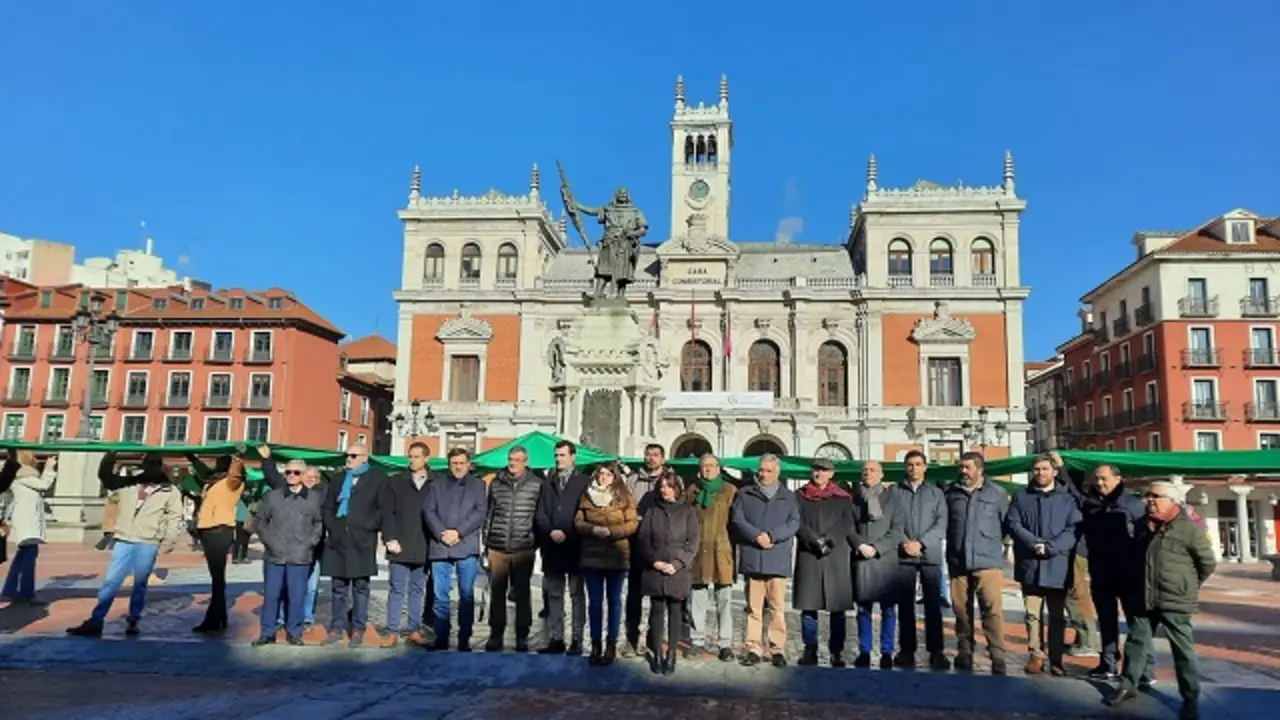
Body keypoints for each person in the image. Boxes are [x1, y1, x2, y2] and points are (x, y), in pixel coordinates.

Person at [1106, 480, 1216, 720]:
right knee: (1136, 643)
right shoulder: (1142, 526)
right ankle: (1128, 685)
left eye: (1156, 496)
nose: (1150, 501)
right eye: (1148, 496)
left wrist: (1188, 585)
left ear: (1172, 501)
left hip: (1174, 599)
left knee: (1183, 651)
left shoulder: (1188, 529)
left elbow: (1207, 563)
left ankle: (1190, 698)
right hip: (1144, 596)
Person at [66, 453, 185, 637]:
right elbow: (106, 478)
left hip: (148, 541)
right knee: (111, 581)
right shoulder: (129, 483)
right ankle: (96, 620)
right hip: (124, 539)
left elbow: (174, 517)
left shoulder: (170, 491)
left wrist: (169, 540)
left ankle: (133, 620)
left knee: (140, 584)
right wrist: (109, 458)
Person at [1005, 454, 1082, 676]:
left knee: (1057, 616)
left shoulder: (1068, 499)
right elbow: (1014, 523)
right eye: (1036, 469)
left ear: (1055, 472)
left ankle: (1056, 658)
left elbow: (1074, 530)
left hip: (1058, 564)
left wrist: (1051, 547)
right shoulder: (1021, 497)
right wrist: (1034, 544)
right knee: (1032, 614)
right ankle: (1036, 655)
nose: (1040, 473)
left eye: (1045, 469)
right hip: (1030, 564)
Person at [1080, 463, 1153, 683]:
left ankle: (1145, 670)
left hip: (1129, 573)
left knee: (1136, 623)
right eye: (1097, 479)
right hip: (1101, 571)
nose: (1100, 483)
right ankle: (1108, 662)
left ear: (1118, 479)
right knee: (1106, 620)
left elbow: (1145, 538)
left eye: (1104, 478)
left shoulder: (1133, 504)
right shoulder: (1091, 504)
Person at [730, 453, 800, 668]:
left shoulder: (788, 496)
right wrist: (756, 535)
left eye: (769, 470)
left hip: (777, 557)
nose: (764, 474)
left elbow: (794, 522)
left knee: (777, 608)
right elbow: (737, 519)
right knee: (753, 608)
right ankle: (753, 647)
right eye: (761, 470)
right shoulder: (745, 494)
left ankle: (777, 648)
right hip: (753, 556)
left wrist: (772, 536)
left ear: (777, 472)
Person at [944, 451, 1009, 674]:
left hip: (988, 561)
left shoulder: (997, 493)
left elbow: (1007, 522)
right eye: (961, 467)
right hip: (957, 561)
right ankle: (965, 650)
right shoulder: (951, 493)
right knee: (961, 610)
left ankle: (997, 654)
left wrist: (1007, 547)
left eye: (967, 467)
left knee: (991, 610)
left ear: (980, 469)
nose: (963, 471)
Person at [320, 443, 388, 647]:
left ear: (365, 458)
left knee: (361, 587)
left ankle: (358, 628)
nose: (348, 458)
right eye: (347, 455)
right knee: (338, 587)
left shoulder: (377, 479)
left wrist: (368, 525)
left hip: (362, 541)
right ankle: (337, 627)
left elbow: (382, 508)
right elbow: (327, 507)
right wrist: (334, 525)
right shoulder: (338, 479)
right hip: (338, 540)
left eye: (353, 455)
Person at [251, 458, 323, 647]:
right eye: (288, 472)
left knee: (297, 596)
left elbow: (318, 523)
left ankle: (294, 633)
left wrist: (310, 542)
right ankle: (267, 632)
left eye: (296, 473)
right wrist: (269, 541)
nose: (291, 475)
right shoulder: (273, 496)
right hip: (275, 555)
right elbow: (260, 520)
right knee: (272, 595)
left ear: (303, 475)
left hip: (300, 556)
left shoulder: (314, 498)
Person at [574, 462, 639, 666]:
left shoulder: (624, 495)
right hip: (592, 556)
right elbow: (578, 521)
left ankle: (611, 643)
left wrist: (612, 532)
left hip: (616, 555)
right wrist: (593, 530)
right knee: (594, 601)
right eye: (601, 474)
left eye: (608, 474)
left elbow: (632, 523)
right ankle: (595, 644)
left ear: (614, 477)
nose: (603, 477)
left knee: (614, 600)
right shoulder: (587, 495)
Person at [634, 468, 698, 676]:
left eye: (668, 486)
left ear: (676, 488)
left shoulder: (688, 511)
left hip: (678, 571)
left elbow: (693, 542)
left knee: (675, 612)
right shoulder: (652, 510)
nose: (664, 490)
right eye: (661, 486)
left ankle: (671, 653)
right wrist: (655, 561)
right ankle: (658, 654)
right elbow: (643, 539)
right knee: (657, 611)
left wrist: (678, 563)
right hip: (656, 568)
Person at [793, 457, 856, 668]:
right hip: (809, 555)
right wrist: (812, 540)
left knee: (837, 609)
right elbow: (797, 522)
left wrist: (829, 539)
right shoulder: (800, 496)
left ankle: (836, 651)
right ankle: (810, 649)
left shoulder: (843, 498)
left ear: (831, 474)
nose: (818, 473)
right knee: (809, 607)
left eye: (823, 470)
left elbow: (847, 522)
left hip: (835, 555)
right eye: (816, 470)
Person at [423, 446, 487, 651]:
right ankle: (441, 637)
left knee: (466, 595)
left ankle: (464, 638)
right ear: (449, 465)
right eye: (454, 463)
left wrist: (458, 532)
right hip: (440, 546)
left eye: (461, 463)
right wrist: (442, 532)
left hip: (466, 545)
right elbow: (428, 510)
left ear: (469, 465)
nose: (458, 467)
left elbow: (480, 513)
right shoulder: (436, 485)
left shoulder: (478, 486)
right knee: (440, 596)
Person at [534, 440, 592, 655]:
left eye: (562, 455)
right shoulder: (547, 483)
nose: (558, 459)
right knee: (554, 594)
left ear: (573, 456)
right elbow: (540, 512)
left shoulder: (584, 481)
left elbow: (586, 512)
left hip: (575, 546)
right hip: (552, 547)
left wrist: (568, 531)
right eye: (556, 455)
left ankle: (577, 638)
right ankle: (556, 637)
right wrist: (550, 531)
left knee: (577, 594)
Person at [484, 445, 542, 653]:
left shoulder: (536, 484)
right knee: (497, 593)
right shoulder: (497, 483)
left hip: (523, 547)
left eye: (517, 460)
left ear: (525, 461)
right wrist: (486, 541)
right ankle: (495, 635)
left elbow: (538, 517)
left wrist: (534, 542)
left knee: (522, 594)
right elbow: (489, 514)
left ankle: (522, 636)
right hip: (497, 546)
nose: (513, 463)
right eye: (510, 459)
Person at [895, 450, 949, 670]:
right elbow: (891, 523)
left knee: (933, 605)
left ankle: (936, 651)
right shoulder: (895, 493)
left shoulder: (937, 494)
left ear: (925, 467)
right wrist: (905, 542)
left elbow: (941, 522)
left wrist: (922, 543)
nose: (914, 468)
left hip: (930, 555)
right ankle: (907, 650)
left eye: (918, 464)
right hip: (903, 555)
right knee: (905, 606)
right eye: (910, 465)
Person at [850, 460, 906, 669]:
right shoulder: (854, 499)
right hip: (862, 559)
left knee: (888, 610)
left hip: (885, 559)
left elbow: (898, 529)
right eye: (865, 470)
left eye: (872, 470)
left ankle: (886, 652)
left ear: (881, 475)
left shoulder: (893, 499)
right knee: (863, 609)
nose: (868, 473)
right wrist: (860, 545)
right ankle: (864, 650)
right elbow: (848, 526)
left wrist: (878, 547)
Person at [685, 453, 738, 662]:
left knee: (724, 600)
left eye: (711, 466)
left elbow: (735, 522)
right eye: (703, 466)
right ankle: (697, 640)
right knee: (698, 600)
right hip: (698, 552)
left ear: (718, 468)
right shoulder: (692, 491)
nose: (707, 470)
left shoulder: (729, 491)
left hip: (721, 551)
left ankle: (725, 643)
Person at [380, 441, 433, 647]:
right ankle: (392, 631)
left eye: (417, 456)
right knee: (396, 588)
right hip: (399, 544)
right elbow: (387, 513)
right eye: (410, 456)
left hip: (422, 544)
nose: (412, 460)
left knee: (417, 589)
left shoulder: (434, 483)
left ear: (426, 459)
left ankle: (413, 629)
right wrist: (390, 538)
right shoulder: (396, 482)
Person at [189, 452, 246, 634]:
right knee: (217, 579)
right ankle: (219, 617)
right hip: (207, 530)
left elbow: (235, 475)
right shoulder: (212, 481)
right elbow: (202, 470)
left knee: (218, 579)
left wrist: (237, 458)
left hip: (220, 530)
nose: (216, 464)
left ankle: (213, 619)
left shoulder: (232, 483)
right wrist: (191, 457)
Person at [623, 442, 667, 657]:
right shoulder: (632, 480)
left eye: (655, 455)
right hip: (636, 544)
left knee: (658, 596)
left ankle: (654, 640)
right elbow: (625, 506)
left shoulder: (670, 480)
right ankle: (631, 638)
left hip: (661, 546)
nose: (651, 458)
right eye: (648, 454)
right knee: (634, 595)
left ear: (663, 459)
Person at [1, 452, 56, 605]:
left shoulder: (23, 476)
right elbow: (45, 484)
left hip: (27, 520)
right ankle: (25, 592)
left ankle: (12, 590)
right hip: (27, 521)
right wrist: (50, 467)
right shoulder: (23, 476)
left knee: (23, 557)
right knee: (28, 558)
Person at [232, 494, 252, 564]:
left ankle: (243, 557)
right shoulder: (236, 501)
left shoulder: (249, 501)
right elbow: (233, 511)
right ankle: (235, 558)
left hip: (247, 522)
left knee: (245, 541)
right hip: (239, 521)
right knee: (238, 540)